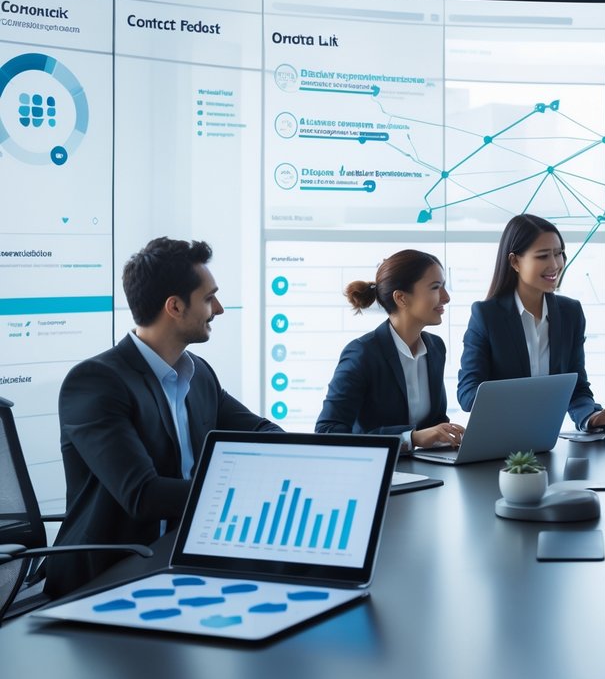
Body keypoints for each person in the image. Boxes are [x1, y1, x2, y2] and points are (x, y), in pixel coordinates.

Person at [49, 238, 281, 597]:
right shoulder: (96, 383)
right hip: (109, 577)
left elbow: (263, 432)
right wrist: (245, 495)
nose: (218, 309)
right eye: (208, 298)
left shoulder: (198, 374)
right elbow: (144, 495)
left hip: (183, 557)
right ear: (174, 306)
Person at [457, 213, 605, 431]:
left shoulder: (570, 313)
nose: (555, 264)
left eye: (559, 254)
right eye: (543, 256)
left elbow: (576, 388)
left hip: (545, 442)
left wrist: (595, 417)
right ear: (515, 261)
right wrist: (521, 400)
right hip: (498, 440)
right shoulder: (487, 315)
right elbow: (467, 392)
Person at [316, 249, 465, 450]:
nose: (446, 297)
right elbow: (327, 432)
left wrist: (450, 434)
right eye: (435, 287)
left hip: (424, 469)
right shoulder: (362, 353)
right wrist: (411, 438)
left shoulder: (435, 347)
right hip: (375, 473)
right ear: (401, 298)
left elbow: (434, 422)